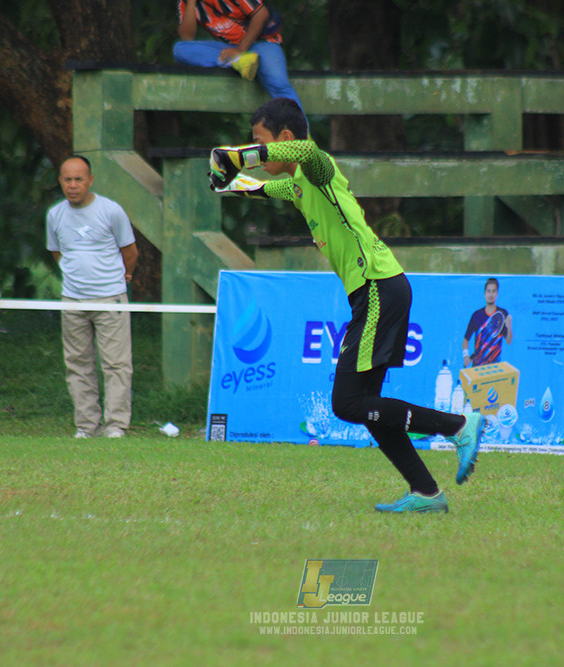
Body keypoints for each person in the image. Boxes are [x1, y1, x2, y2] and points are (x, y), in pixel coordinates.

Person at [208, 97, 485, 514]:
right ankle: (427, 493)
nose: (257, 151)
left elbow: (306, 151)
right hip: (377, 290)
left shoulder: (317, 170)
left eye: (260, 143)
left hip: (377, 286)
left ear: (285, 138)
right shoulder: (297, 185)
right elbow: (258, 187)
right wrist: (226, 180)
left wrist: (240, 156)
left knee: (348, 404)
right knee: (367, 405)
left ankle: (459, 426)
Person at [46, 155, 138, 439]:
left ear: (90, 180)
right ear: (60, 181)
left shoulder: (111, 211)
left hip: (110, 299)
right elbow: (57, 252)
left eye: (78, 179)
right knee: (77, 364)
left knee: (116, 365)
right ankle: (86, 426)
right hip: (72, 300)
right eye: (67, 179)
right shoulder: (55, 215)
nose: (73, 185)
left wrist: (124, 277)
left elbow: (130, 252)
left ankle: (116, 426)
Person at [173, 0, 303, 109]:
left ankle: (300, 131)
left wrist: (241, 49)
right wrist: (191, 3)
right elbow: (187, 37)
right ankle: (237, 61)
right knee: (180, 49)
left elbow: (261, 14)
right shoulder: (185, 3)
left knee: (278, 83)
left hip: (261, 43)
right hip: (230, 49)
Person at [462, 277, 513, 368]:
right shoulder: (476, 315)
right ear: (484, 294)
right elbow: (466, 339)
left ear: (497, 294)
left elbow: (509, 341)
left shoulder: (503, 314)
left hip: (495, 367)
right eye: (488, 291)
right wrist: (466, 356)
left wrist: (509, 325)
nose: (491, 294)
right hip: (477, 367)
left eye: (493, 291)